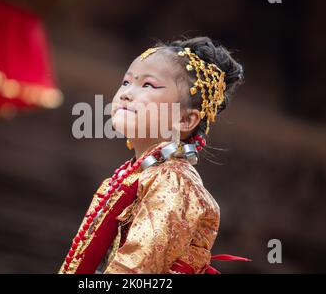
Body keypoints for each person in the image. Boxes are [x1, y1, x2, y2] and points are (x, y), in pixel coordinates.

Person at [59, 36, 248, 274]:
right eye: (126, 82)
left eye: (148, 85)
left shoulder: (174, 183)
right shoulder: (140, 174)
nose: (126, 94)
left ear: (185, 119)